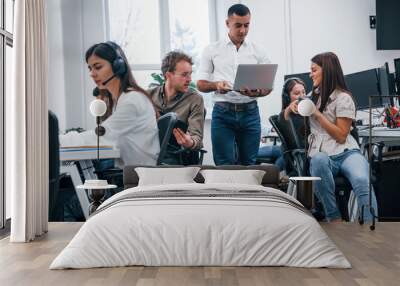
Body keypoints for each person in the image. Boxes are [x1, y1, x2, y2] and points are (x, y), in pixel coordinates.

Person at [303, 52, 377, 222]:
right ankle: (333, 217)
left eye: (314, 70)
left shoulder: (343, 98)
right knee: (318, 160)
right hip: (323, 154)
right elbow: (285, 116)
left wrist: (317, 114)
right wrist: (289, 109)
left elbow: (341, 136)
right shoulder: (312, 96)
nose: (310, 74)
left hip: (346, 153)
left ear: (327, 71)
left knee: (361, 180)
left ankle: (371, 227)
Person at [197, 3, 272, 165]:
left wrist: (257, 92)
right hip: (223, 114)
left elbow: (268, 87)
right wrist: (217, 85)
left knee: (249, 165)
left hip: (250, 113)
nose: (243, 30)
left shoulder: (258, 51)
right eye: (238, 25)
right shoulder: (212, 50)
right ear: (227, 24)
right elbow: (201, 84)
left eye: (247, 25)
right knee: (224, 165)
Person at [85, 41, 160, 167]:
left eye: (98, 67)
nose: (92, 74)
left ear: (118, 66)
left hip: (139, 174)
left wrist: (57, 140)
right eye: (90, 68)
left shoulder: (132, 100)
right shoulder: (119, 100)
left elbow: (101, 136)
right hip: (131, 170)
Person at [148, 51, 205, 164]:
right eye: (184, 75)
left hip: (176, 156)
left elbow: (196, 138)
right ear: (168, 75)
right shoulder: (148, 96)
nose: (189, 79)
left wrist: (190, 142)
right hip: (150, 151)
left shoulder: (195, 99)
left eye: (190, 74)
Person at [258, 78, 307, 171]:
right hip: (293, 153)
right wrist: (289, 108)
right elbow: (284, 115)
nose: (302, 96)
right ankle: (272, 176)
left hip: (286, 152)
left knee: (282, 154)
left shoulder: (308, 113)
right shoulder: (285, 115)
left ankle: (272, 175)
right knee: (282, 153)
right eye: (297, 93)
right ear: (287, 97)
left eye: (304, 92)